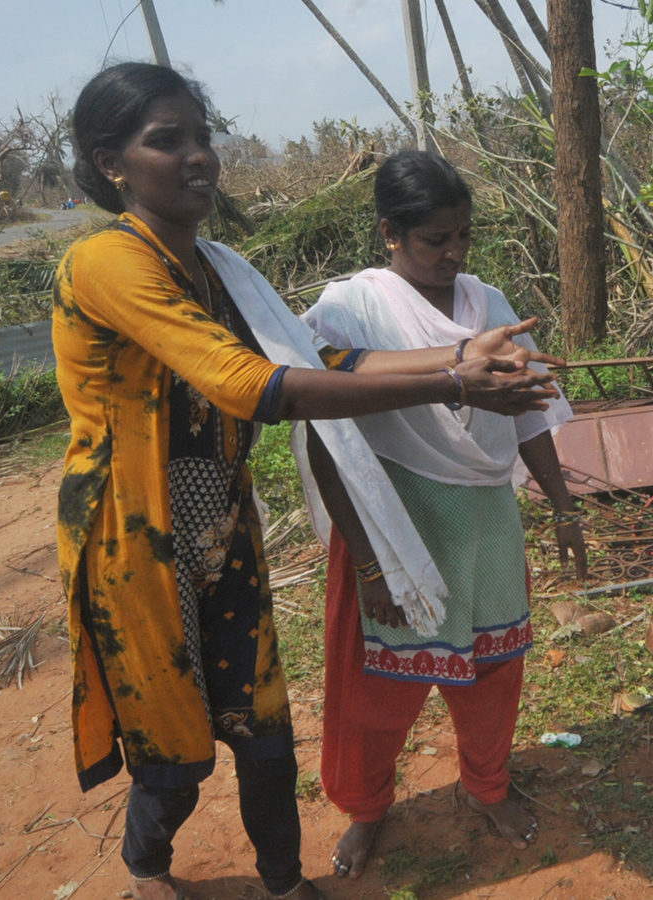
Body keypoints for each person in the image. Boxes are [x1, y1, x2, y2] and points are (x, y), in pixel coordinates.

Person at [55, 64, 561, 900]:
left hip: (221, 520)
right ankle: (148, 867)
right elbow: (251, 385)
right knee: (172, 748)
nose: (199, 158)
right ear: (112, 162)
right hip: (132, 538)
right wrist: (454, 382)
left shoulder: (218, 271)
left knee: (261, 728)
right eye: (166, 141)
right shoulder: (106, 263)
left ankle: (286, 884)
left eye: (203, 137)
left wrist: (459, 353)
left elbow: (319, 360)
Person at [296, 150, 588, 880]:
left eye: (464, 236)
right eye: (435, 240)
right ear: (391, 233)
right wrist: (366, 560)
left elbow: (529, 418)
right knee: (376, 687)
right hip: (396, 524)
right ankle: (367, 810)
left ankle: (487, 785)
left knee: (494, 671)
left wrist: (561, 509)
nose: (453, 253)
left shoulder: (488, 304)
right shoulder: (350, 310)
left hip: (486, 517)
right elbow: (330, 438)